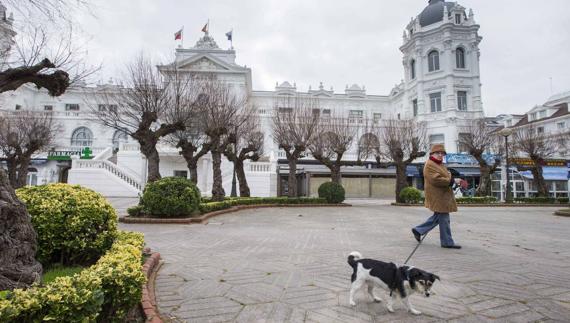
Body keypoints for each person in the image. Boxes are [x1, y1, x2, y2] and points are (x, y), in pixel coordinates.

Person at [411, 144, 462, 249]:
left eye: (442, 153)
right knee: (444, 219)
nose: (440, 155)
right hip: (438, 196)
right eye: (437, 153)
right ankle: (447, 242)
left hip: (442, 195)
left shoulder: (439, 164)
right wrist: (451, 181)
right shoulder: (430, 164)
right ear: (432, 154)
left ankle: (419, 230)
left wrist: (454, 180)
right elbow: (436, 179)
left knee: (439, 218)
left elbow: (447, 176)